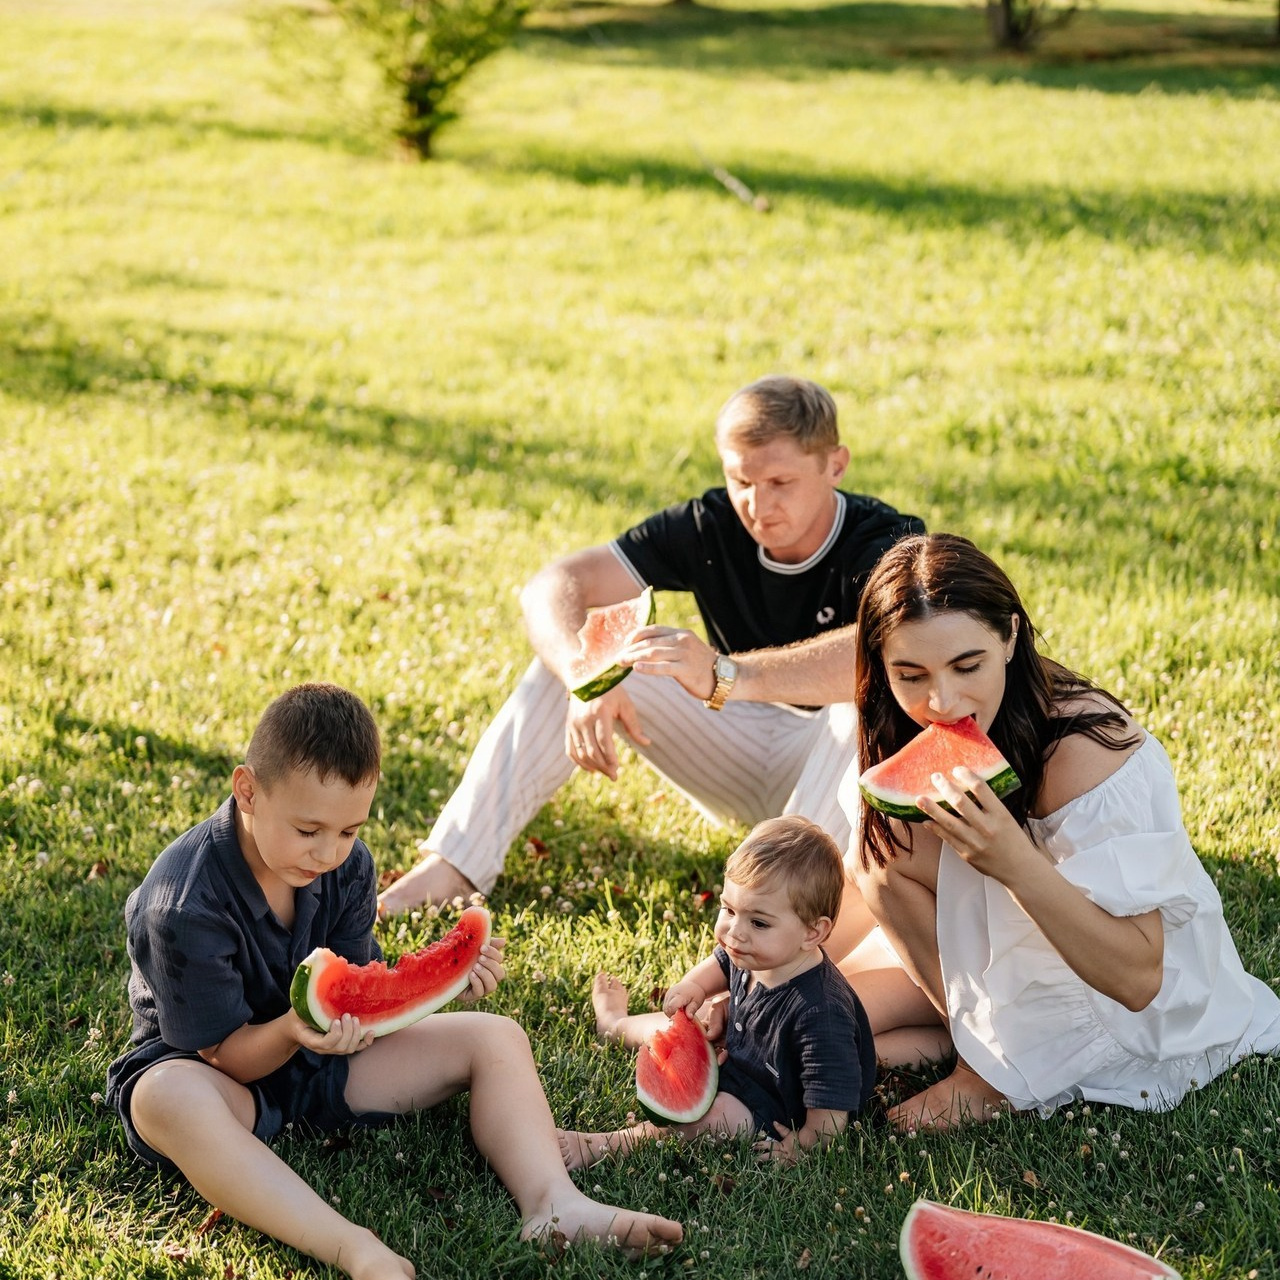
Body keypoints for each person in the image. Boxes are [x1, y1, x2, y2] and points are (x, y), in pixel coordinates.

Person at [106, 683, 683, 1280]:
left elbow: (364, 1000)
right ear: (247, 791)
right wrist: (294, 1029)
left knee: (496, 1036)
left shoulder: (349, 867)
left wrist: (444, 986)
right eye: (308, 831)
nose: (328, 854)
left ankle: (555, 1205)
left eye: (348, 831)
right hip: (222, 1081)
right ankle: (356, 1249)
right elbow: (226, 1056)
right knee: (165, 1098)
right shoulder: (182, 904)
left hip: (327, 1063)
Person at [379, 376, 923, 916]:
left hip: (838, 765)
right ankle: (455, 865)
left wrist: (726, 674)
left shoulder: (887, 538)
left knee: (864, 697)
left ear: (835, 465)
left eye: (781, 481)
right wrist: (585, 677)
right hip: (734, 748)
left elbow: (897, 649)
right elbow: (553, 583)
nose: (758, 505)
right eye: (741, 480)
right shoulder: (711, 524)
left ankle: (784, 918)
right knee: (583, 655)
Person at [822, 533, 1280, 1131]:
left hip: (1122, 1006)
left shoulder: (1086, 752)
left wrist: (1013, 861)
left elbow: (1139, 979)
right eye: (911, 674)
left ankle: (990, 1077)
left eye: (968, 666)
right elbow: (867, 872)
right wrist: (744, 967)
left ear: (1011, 636)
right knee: (881, 856)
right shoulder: (898, 720)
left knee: (848, 1017)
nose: (942, 701)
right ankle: (976, 1044)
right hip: (1012, 949)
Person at [559, 816, 877, 1170]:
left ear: (813, 933)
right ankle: (614, 1023)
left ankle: (608, 1144)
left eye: (758, 922)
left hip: (773, 1106)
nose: (734, 931)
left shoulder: (821, 1013)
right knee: (673, 1031)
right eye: (729, 909)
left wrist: (804, 1146)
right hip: (737, 1063)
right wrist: (693, 986)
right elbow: (721, 963)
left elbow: (831, 1106)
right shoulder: (757, 952)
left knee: (712, 1116)